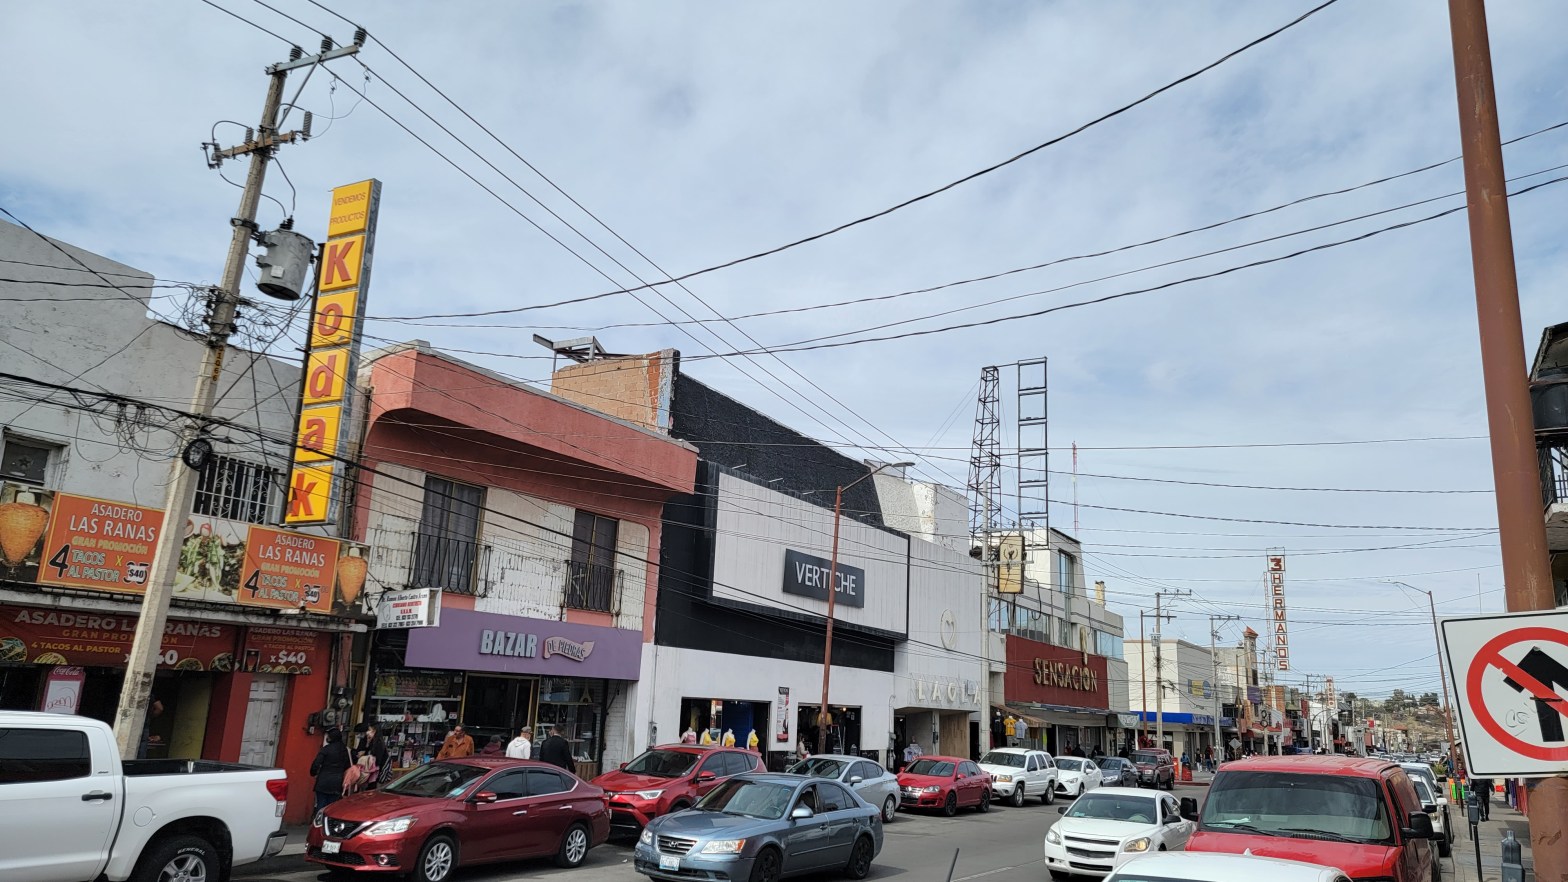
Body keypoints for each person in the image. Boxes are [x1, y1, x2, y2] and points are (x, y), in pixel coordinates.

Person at [310, 727, 352, 813]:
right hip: (337, 783)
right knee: (331, 808)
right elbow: (347, 766)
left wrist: (313, 773)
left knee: (320, 805)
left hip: (323, 781)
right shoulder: (344, 750)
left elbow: (316, 763)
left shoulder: (326, 749)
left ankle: (319, 820)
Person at [355, 724, 389, 789]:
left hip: (373, 773)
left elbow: (377, 760)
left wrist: (366, 757)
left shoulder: (378, 743)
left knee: (370, 788)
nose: (367, 732)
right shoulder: (370, 741)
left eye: (369, 730)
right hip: (369, 772)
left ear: (375, 731)